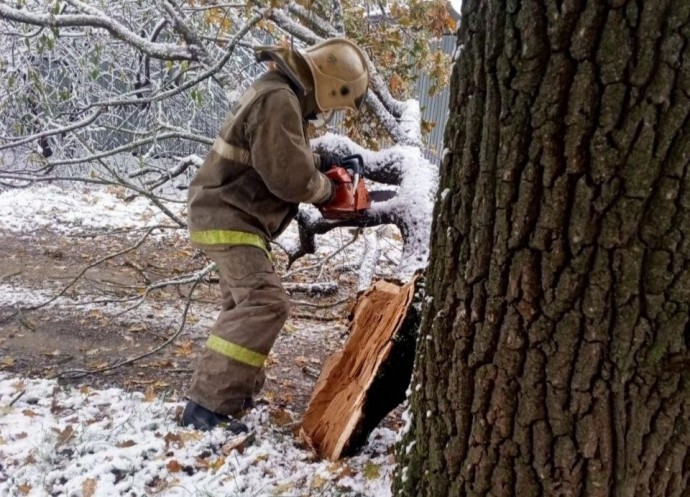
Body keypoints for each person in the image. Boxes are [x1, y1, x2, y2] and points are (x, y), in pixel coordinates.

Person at [181, 38, 370, 433]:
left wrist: (323, 160)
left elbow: (281, 151)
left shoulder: (278, 94)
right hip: (230, 216)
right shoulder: (279, 99)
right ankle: (205, 411)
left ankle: (234, 397)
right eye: (329, 103)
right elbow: (289, 176)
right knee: (266, 303)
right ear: (327, 82)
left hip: (232, 214)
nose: (322, 112)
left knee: (244, 306)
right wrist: (329, 190)